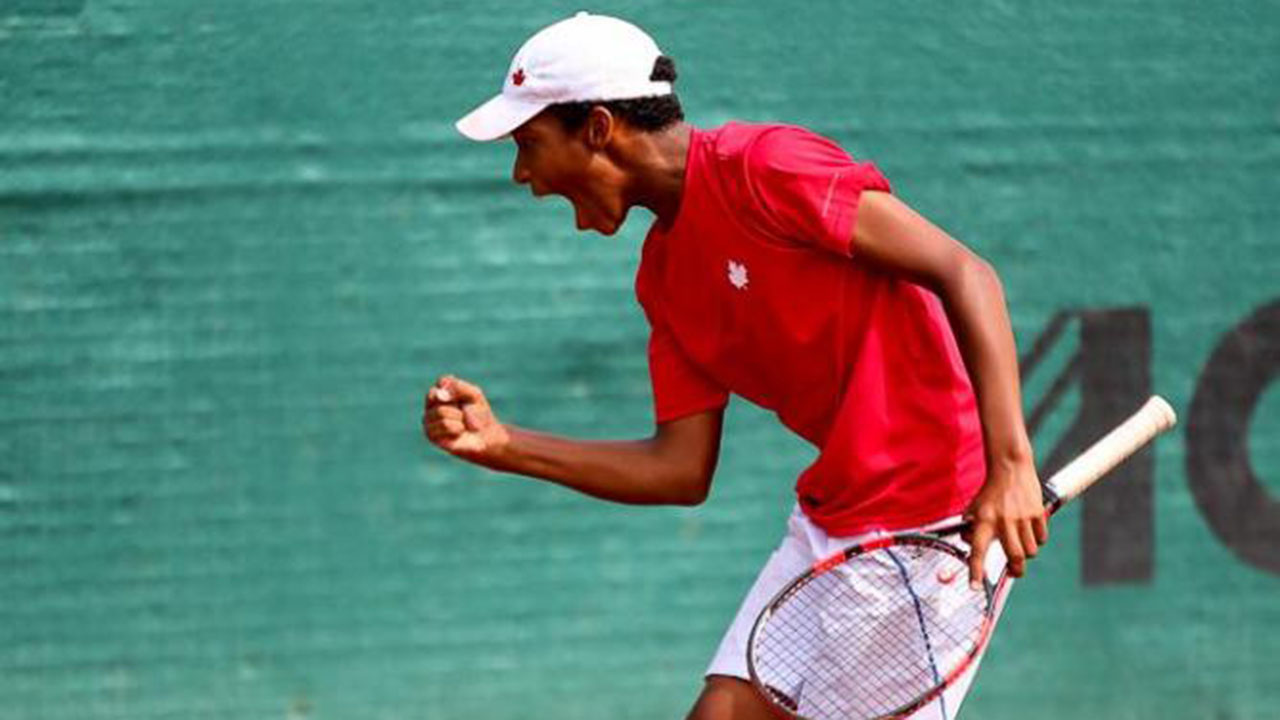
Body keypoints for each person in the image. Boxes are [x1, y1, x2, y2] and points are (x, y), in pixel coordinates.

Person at [426, 12, 1047, 720]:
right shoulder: (662, 278)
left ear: (598, 127)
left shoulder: (768, 168)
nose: (522, 174)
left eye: (530, 143)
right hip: (835, 515)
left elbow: (965, 273)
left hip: (931, 517)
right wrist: (504, 445)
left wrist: (1010, 465)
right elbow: (680, 469)